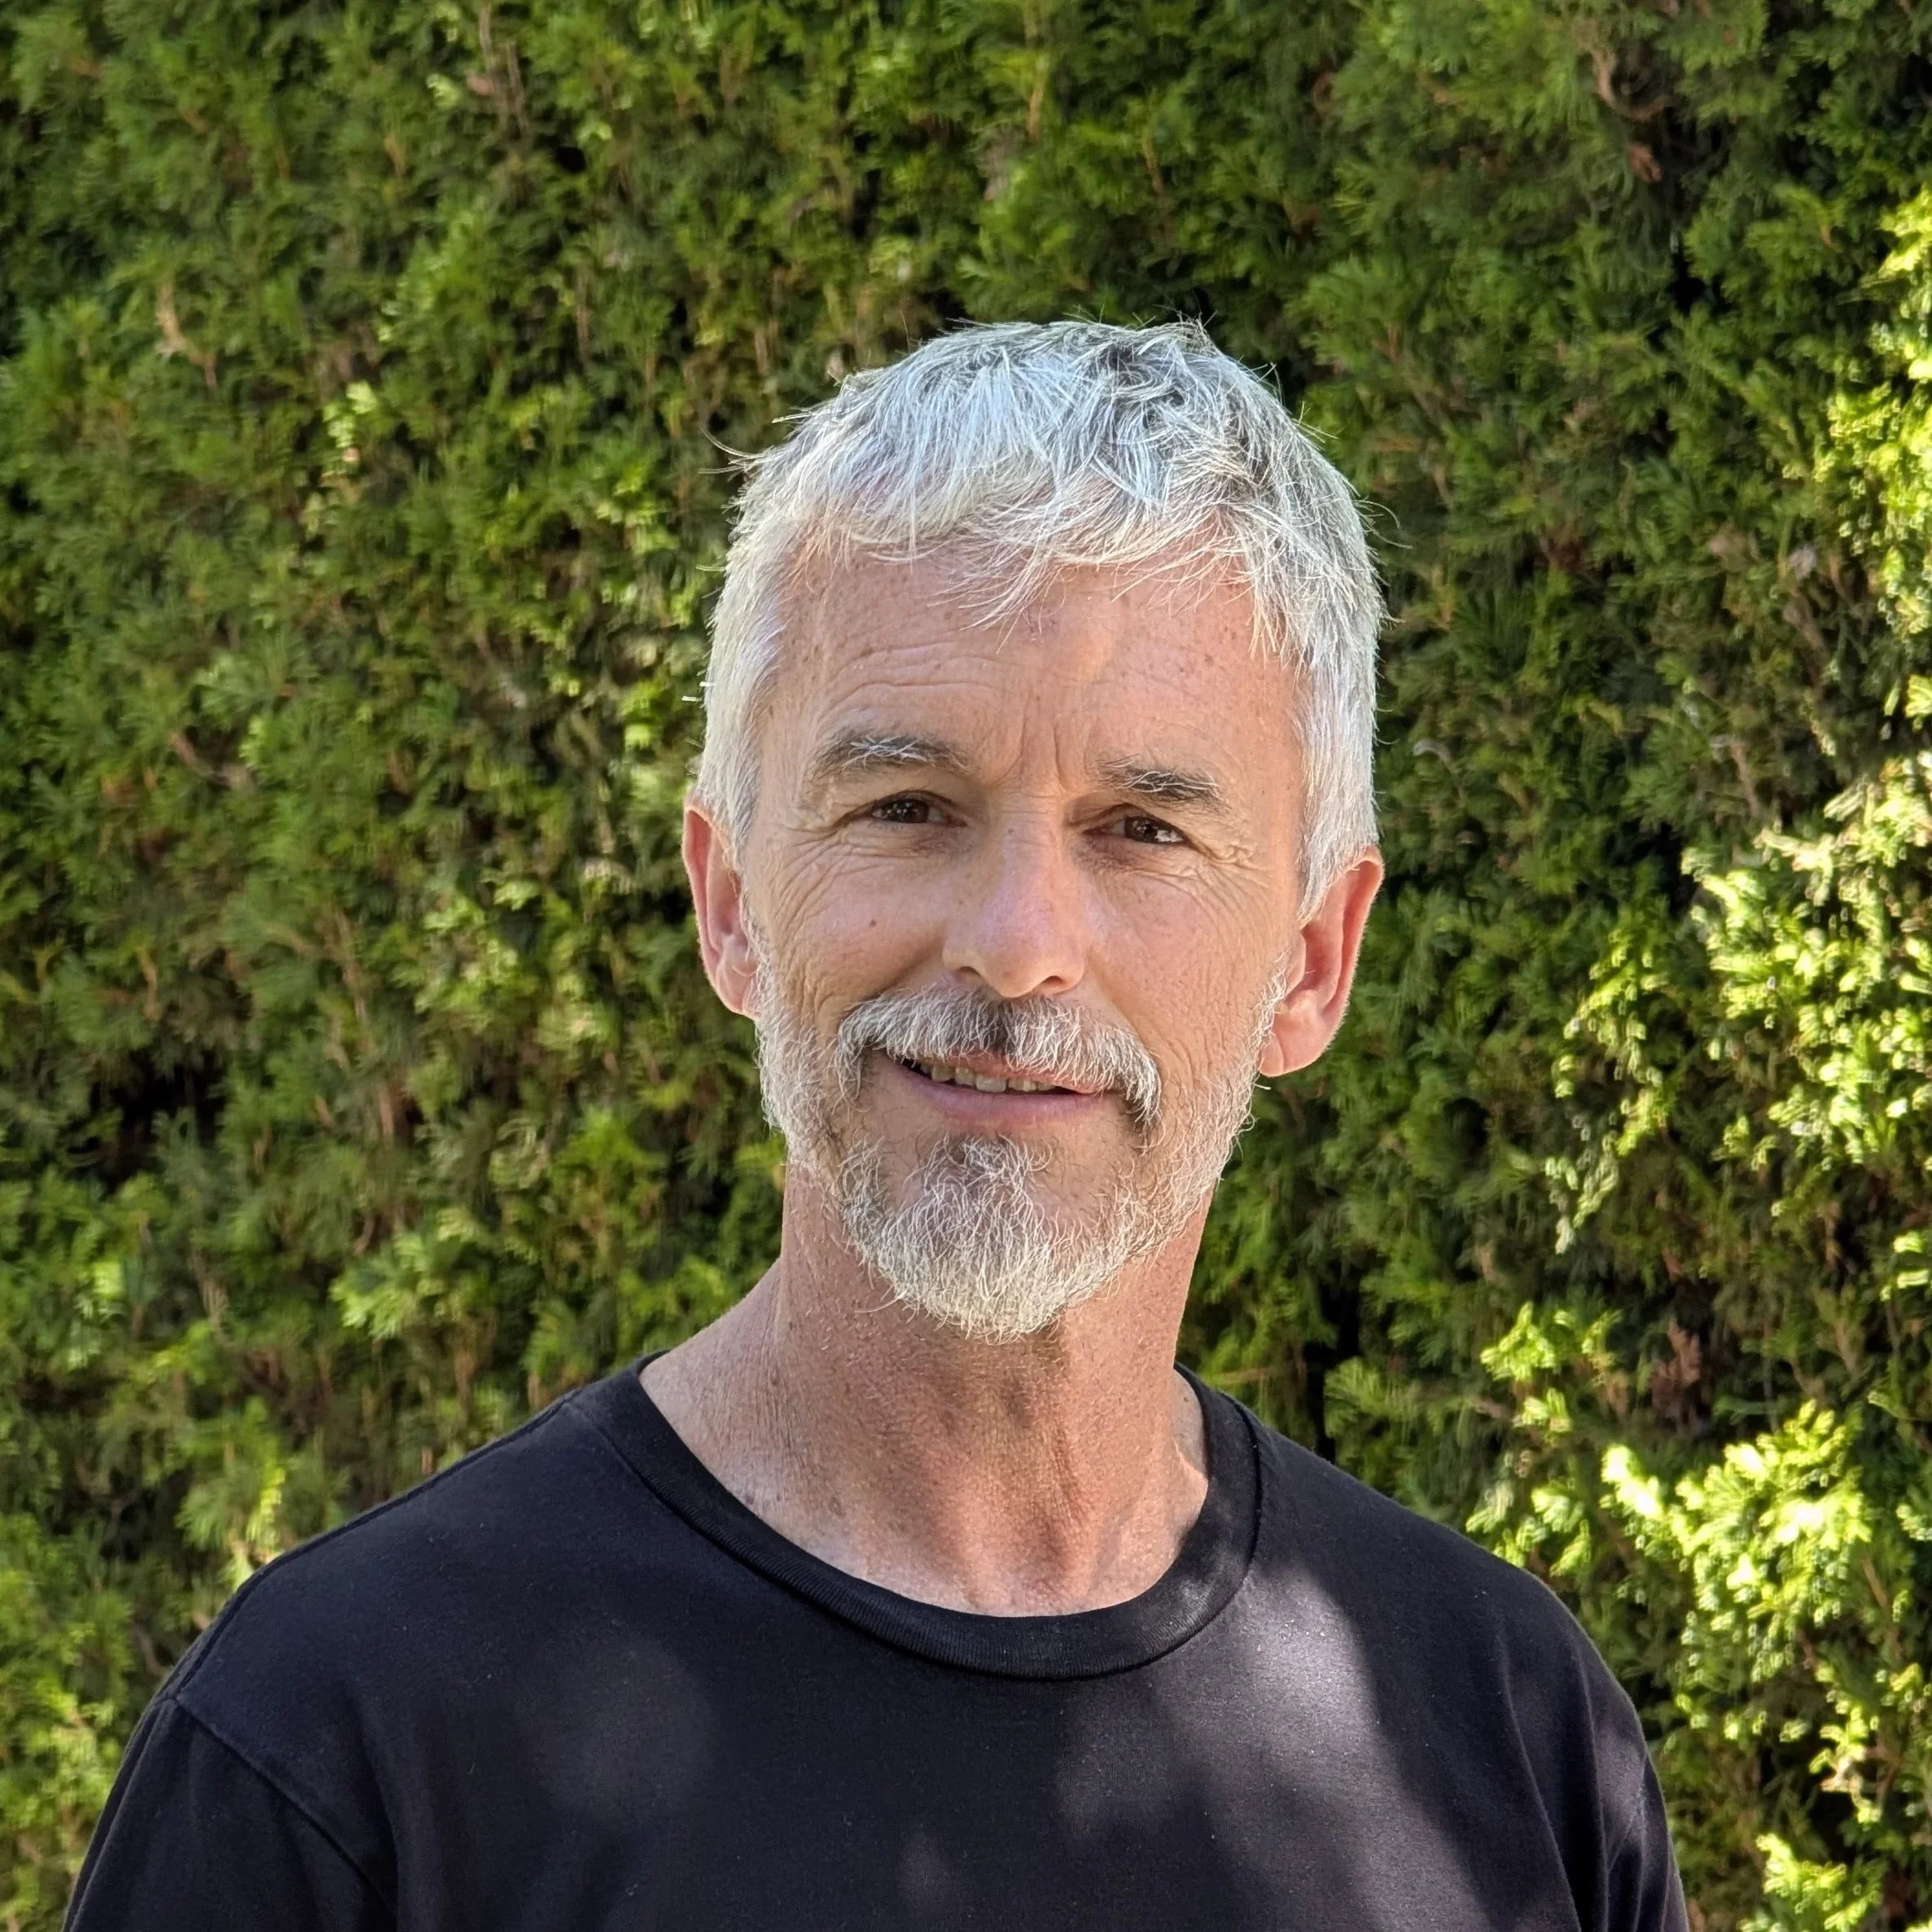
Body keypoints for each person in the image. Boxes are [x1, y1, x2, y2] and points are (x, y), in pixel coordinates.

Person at [65, 321, 1687, 1931]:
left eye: (1141, 830)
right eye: (907, 808)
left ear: (1313, 962)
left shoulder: (1511, 1744)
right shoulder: (340, 1754)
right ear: (730, 903)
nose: (1015, 942)